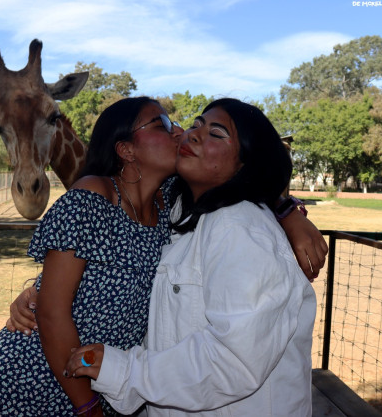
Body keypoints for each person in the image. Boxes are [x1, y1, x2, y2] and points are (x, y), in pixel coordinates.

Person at [64, 99, 316, 416]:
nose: (192, 133)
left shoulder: (239, 228)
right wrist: (42, 291)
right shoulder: (179, 213)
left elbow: (233, 359)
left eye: (216, 134)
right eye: (197, 124)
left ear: (245, 164)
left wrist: (124, 371)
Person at [0, 97, 180, 416]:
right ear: (126, 150)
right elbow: (51, 312)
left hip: (105, 383)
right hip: (32, 382)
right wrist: (87, 405)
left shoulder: (167, 203)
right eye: (163, 125)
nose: (178, 132)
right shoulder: (91, 198)